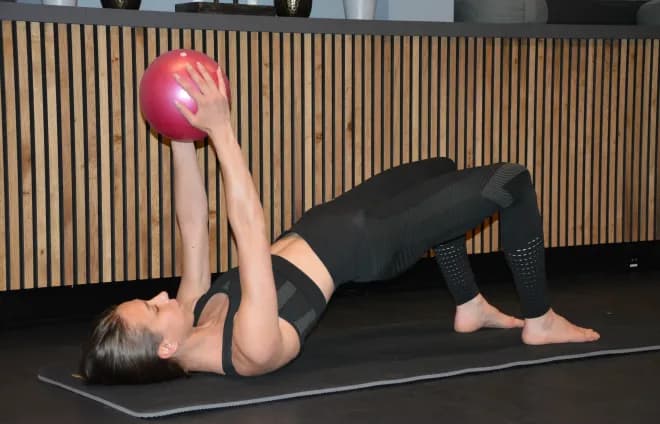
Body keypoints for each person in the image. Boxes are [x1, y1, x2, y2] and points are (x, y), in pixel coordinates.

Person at [79, 62, 599, 384]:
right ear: (166, 349)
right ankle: (540, 320)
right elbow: (249, 228)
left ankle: (470, 305)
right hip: (374, 241)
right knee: (511, 181)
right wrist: (221, 131)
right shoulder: (248, 347)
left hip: (332, 220)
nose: (163, 296)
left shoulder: (192, 310)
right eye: (154, 308)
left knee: (441, 170)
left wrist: (179, 136)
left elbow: (192, 224)